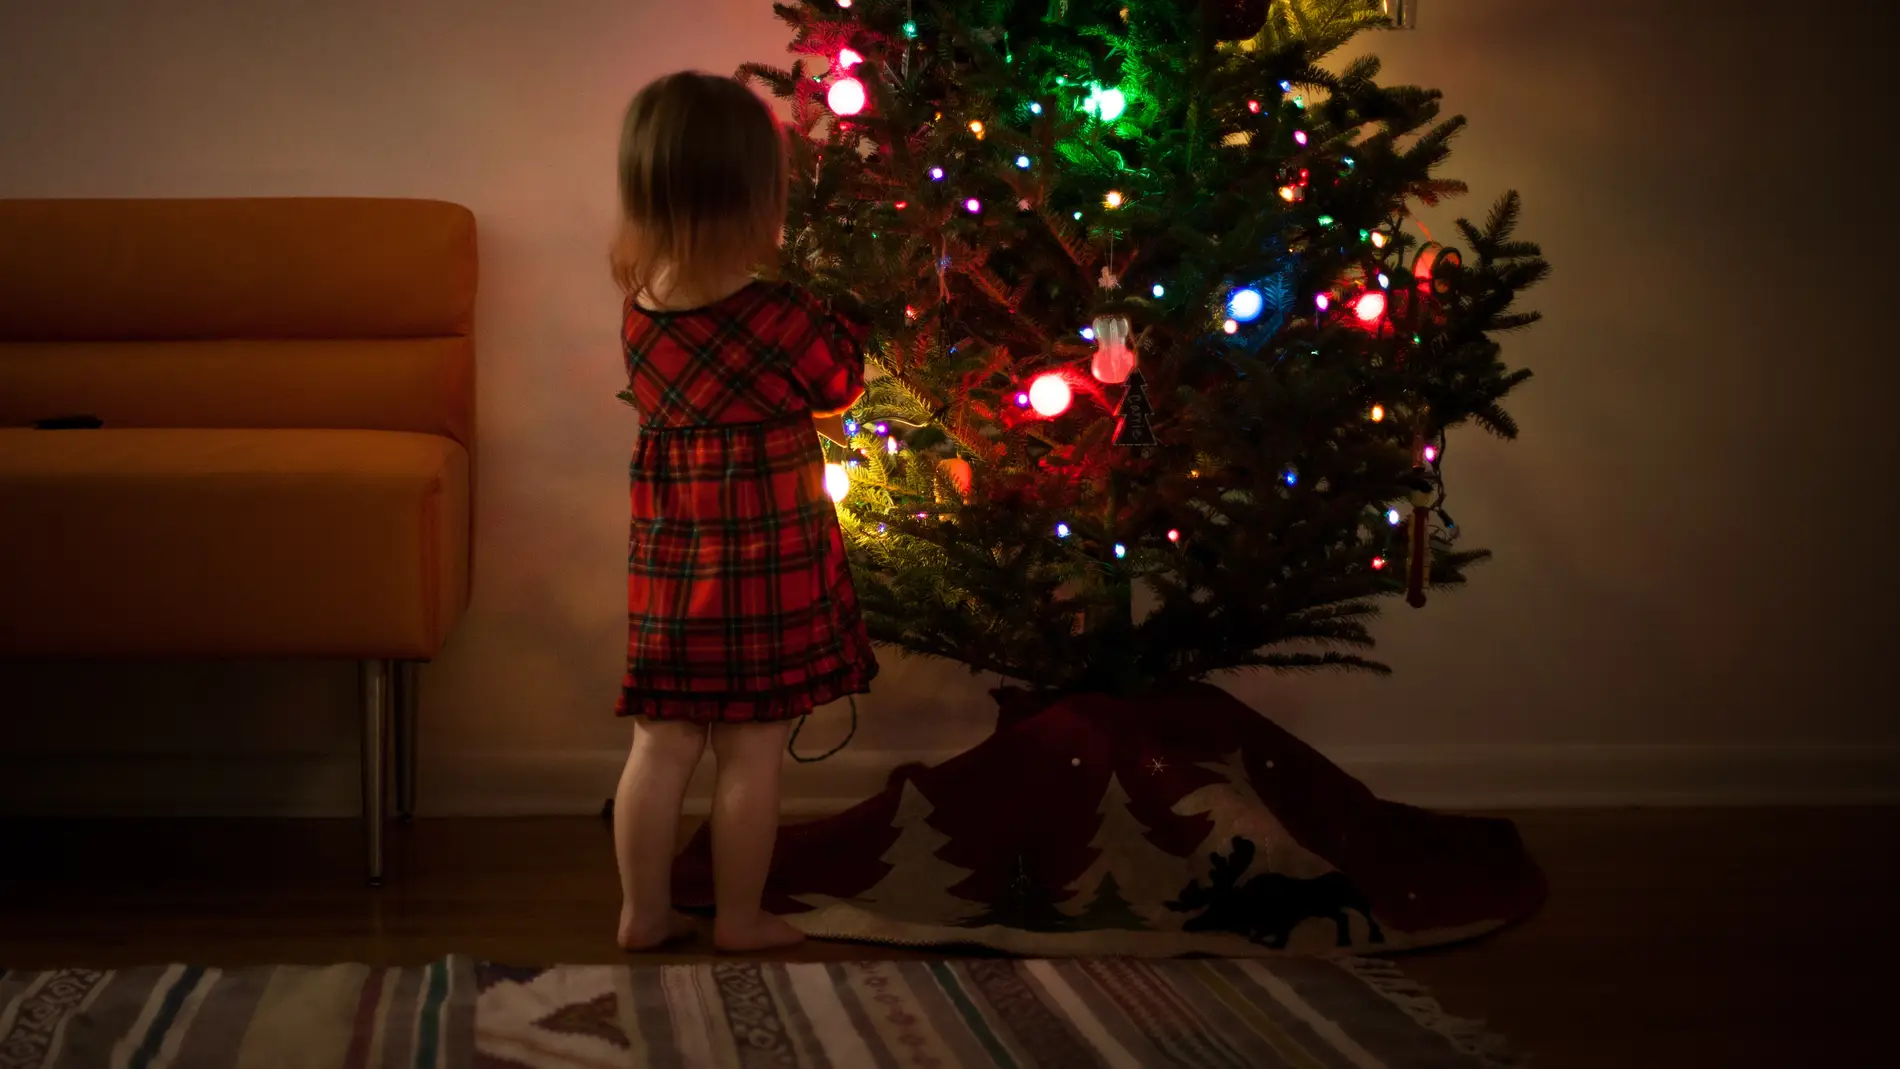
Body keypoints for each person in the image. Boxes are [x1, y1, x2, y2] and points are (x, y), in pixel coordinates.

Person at [607, 71, 878, 952]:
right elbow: (838, 386)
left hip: (674, 560)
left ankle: (642, 913)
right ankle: (738, 918)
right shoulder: (780, 309)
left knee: (660, 745)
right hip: (767, 556)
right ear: (756, 192)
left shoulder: (641, 309)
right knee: (751, 752)